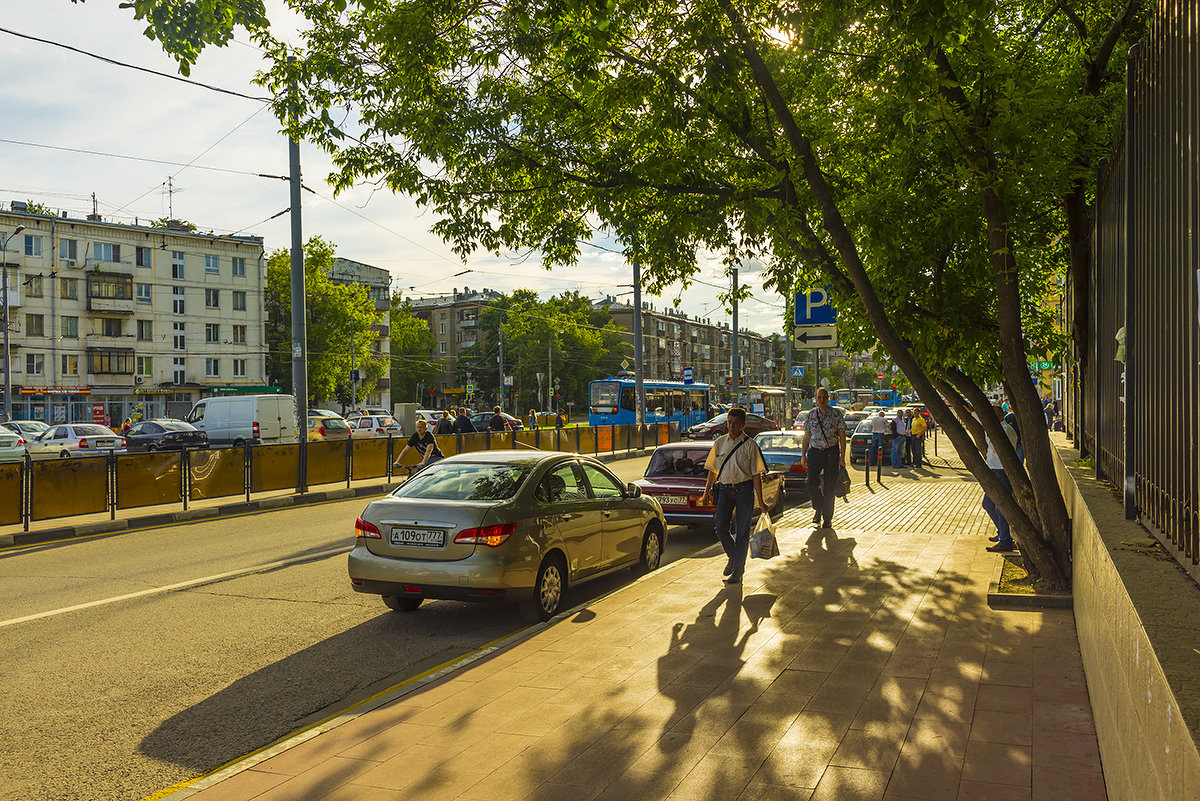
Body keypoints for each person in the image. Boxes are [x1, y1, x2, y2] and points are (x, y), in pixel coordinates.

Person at [699, 407, 767, 585]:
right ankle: (733, 557)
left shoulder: (751, 445)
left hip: (744, 491)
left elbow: (756, 474)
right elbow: (712, 470)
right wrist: (706, 493)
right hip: (724, 490)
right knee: (720, 527)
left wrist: (761, 500)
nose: (731, 426)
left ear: (743, 424)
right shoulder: (720, 443)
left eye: (736, 423)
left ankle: (738, 571)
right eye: (729, 422)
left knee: (743, 532)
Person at [800, 388, 848, 528]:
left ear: (828, 398)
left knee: (829, 488)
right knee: (810, 483)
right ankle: (819, 507)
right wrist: (803, 455)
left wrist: (842, 457)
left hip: (831, 453)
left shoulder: (835, 414)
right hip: (815, 452)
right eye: (819, 397)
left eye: (824, 397)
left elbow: (842, 436)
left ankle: (827, 518)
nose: (822, 400)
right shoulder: (810, 415)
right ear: (815, 398)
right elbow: (806, 436)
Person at [981, 404, 1019, 553]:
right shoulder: (994, 429)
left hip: (1002, 471)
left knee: (1000, 506)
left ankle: (1005, 540)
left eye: (994, 415)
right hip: (993, 469)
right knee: (988, 504)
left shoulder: (1006, 430)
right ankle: (1003, 534)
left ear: (1001, 416)